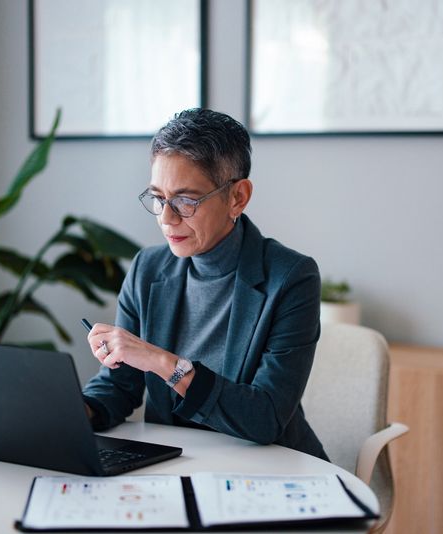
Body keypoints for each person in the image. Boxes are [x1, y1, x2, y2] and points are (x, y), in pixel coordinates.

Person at [82, 108, 327, 460]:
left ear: (237, 197)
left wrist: (160, 361)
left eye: (185, 200)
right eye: (158, 198)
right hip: (174, 464)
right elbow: (119, 386)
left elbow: (265, 418)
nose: (166, 219)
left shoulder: (291, 278)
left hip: (269, 470)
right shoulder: (147, 269)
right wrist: (77, 413)